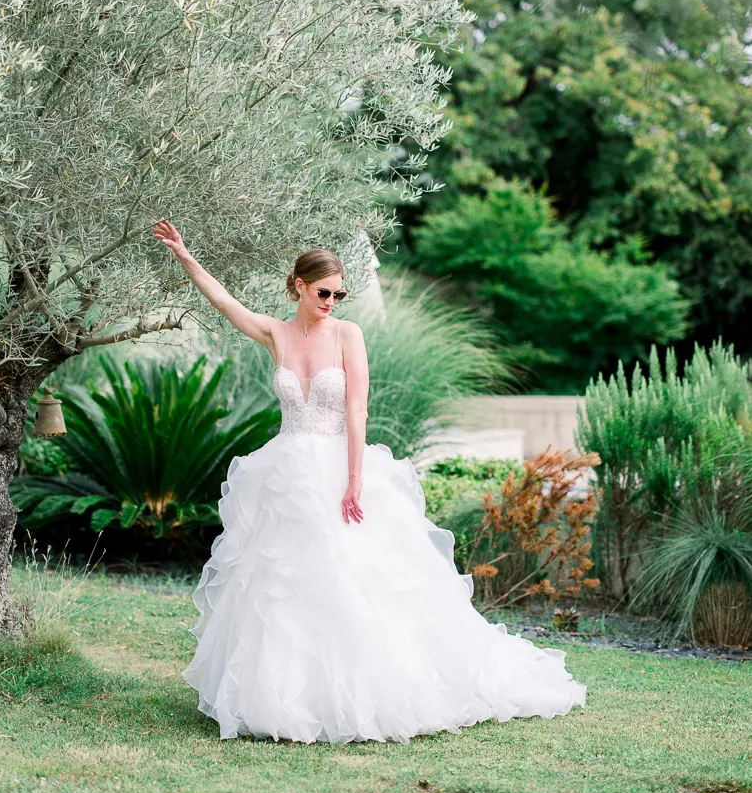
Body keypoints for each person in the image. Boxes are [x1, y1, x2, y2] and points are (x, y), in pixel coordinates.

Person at [152, 220, 586, 744]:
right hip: (285, 474)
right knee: (281, 587)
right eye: (324, 292)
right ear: (299, 287)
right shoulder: (277, 334)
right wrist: (184, 253)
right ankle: (286, 699)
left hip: (341, 465)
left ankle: (366, 693)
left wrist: (354, 479)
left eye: (339, 292)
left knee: (356, 583)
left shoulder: (347, 334)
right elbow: (224, 302)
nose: (333, 300)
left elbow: (357, 410)